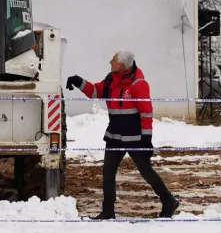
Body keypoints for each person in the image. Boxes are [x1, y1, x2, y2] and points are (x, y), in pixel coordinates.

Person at [67, 51, 179, 219]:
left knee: (146, 171)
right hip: (114, 136)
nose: (109, 61)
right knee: (108, 173)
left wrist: (147, 140)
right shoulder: (111, 80)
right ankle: (108, 211)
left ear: (121, 65)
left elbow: (146, 114)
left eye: (113, 60)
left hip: (135, 139)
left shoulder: (139, 84)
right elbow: (95, 91)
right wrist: (79, 82)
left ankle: (169, 200)